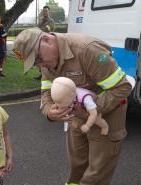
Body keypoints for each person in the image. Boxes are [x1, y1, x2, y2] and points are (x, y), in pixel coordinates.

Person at [12, 27, 132, 185]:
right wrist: (49, 112)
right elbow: (46, 92)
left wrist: (91, 110)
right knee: (77, 167)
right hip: (77, 119)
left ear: (48, 39)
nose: (40, 66)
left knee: (96, 174)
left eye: (38, 59)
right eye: (35, 63)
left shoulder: (87, 50)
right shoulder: (47, 64)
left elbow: (122, 87)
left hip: (106, 118)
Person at [34, 5, 55, 80]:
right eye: (43, 11)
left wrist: (39, 30)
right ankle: (42, 74)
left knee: (46, 60)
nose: (44, 12)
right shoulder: (42, 20)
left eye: (46, 11)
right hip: (41, 43)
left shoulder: (51, 21)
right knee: (40, 59)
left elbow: (46, 30)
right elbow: (37, 28)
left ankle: (46, 75)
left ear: (49, 12)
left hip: (47, 43)